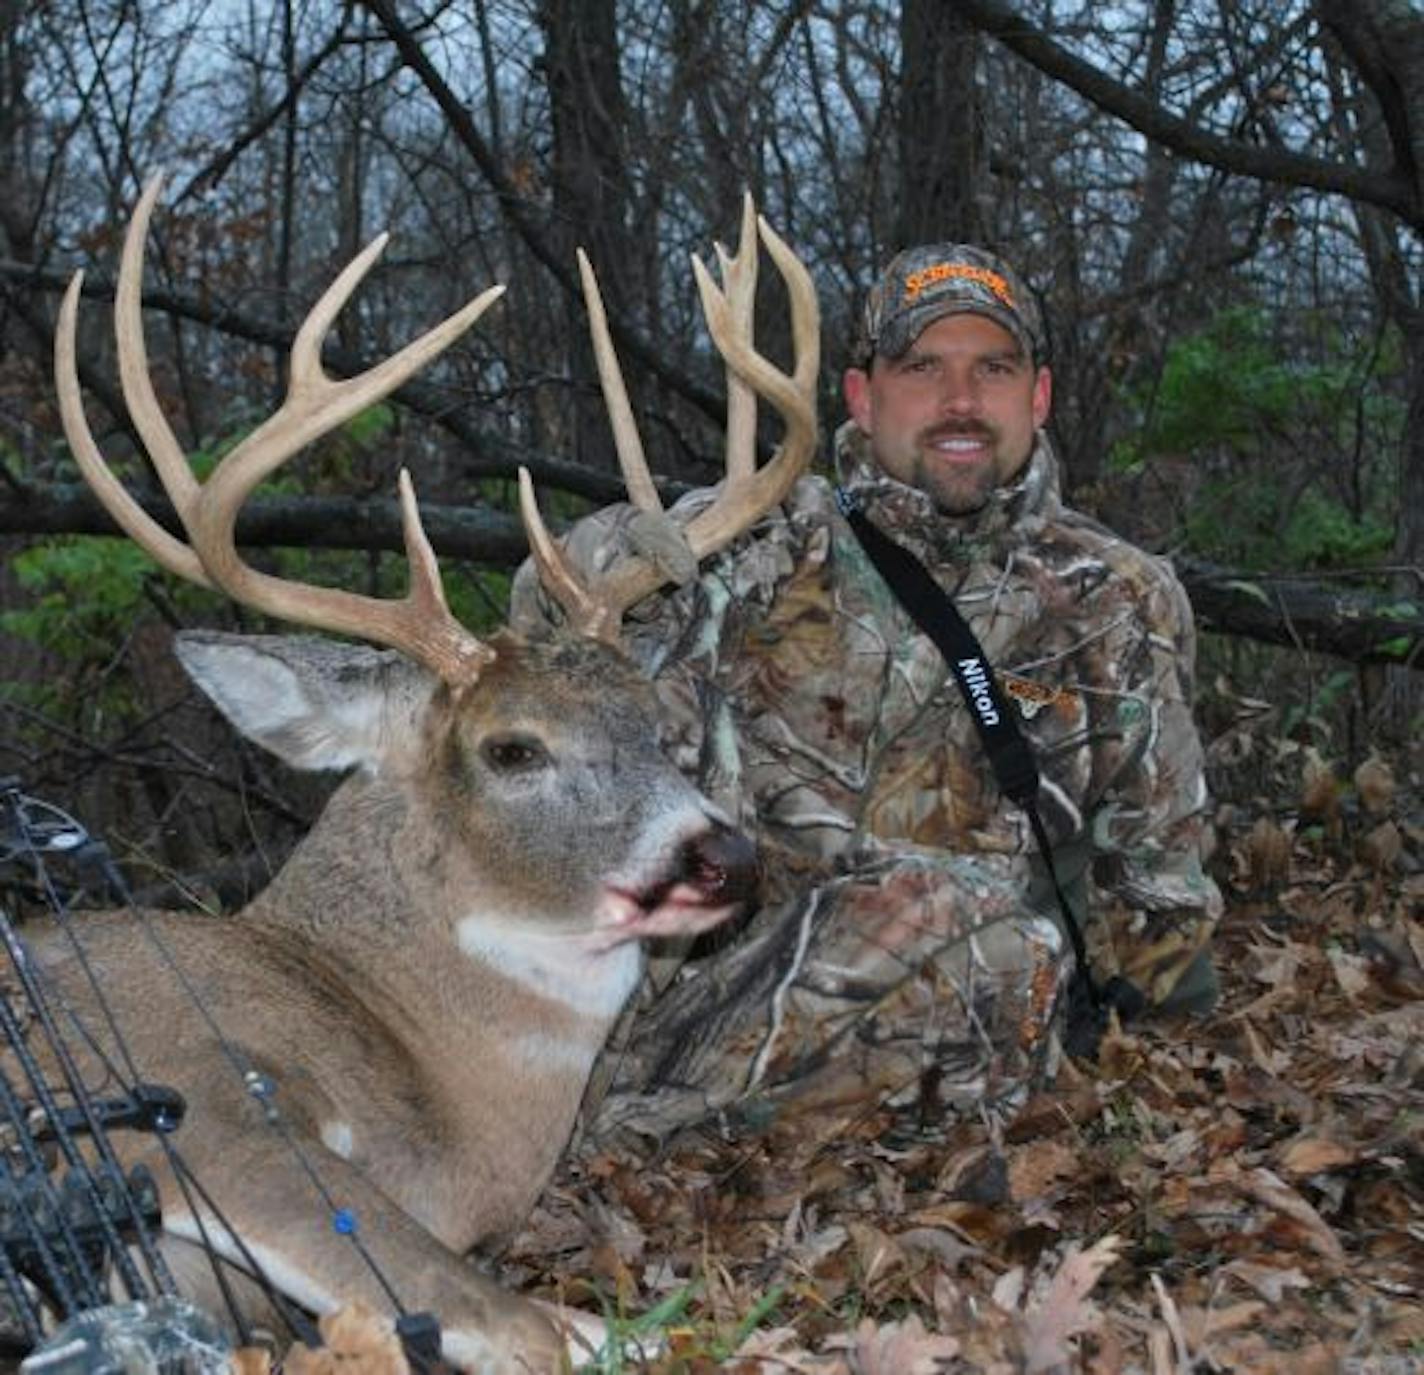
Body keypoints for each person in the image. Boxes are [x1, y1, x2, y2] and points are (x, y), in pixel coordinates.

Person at [510, 243, 1223, 1142]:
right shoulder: (767, 543)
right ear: (860, 396)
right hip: (710, 1011)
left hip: (981, 1019)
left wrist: (1161, 1096)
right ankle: (603, 1136)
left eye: (992, 368)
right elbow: (542, 633)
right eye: (922, 367)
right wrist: (616, 557)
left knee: (999, 949)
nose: (960, 402)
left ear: (1036, 398)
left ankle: (647, 1149)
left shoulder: (1120, 598)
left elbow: (1160, 894)